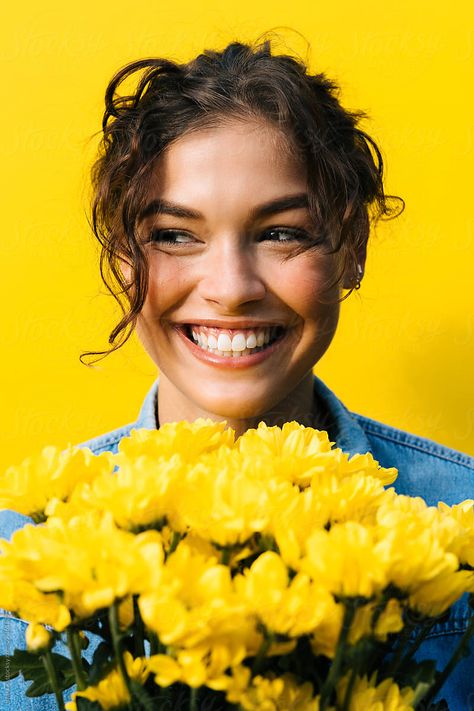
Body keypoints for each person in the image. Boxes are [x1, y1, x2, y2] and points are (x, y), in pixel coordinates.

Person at [1, 37, 473, 710]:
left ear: (351, 248)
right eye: (174, 234)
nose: (230, 288)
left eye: (280, 232)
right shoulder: (17, 558)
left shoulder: (460, 524)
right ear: (123, 257)